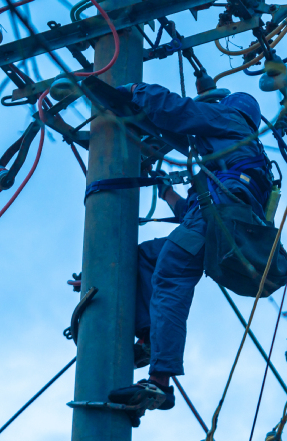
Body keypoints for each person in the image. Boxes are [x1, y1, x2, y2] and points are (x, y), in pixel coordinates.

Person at [107, 81, 274, 411]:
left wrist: (134, 91)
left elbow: (178, 110)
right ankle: (149, 338)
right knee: (143, 257)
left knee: (170, 279)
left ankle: (159, 382)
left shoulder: (231, 122)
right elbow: (195, 212)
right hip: (218, 227)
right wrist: (167, 192)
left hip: (214, 223)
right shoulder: (243, 158)